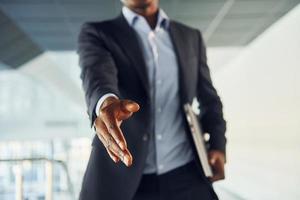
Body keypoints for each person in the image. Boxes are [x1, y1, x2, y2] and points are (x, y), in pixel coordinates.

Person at [77, 0, 227, 199]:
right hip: (126, 181)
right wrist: (106, 102)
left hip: (188, 174)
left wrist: (218, 144)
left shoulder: (191, 37)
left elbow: (209, 99)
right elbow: (97, 76)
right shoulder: (97, 33)